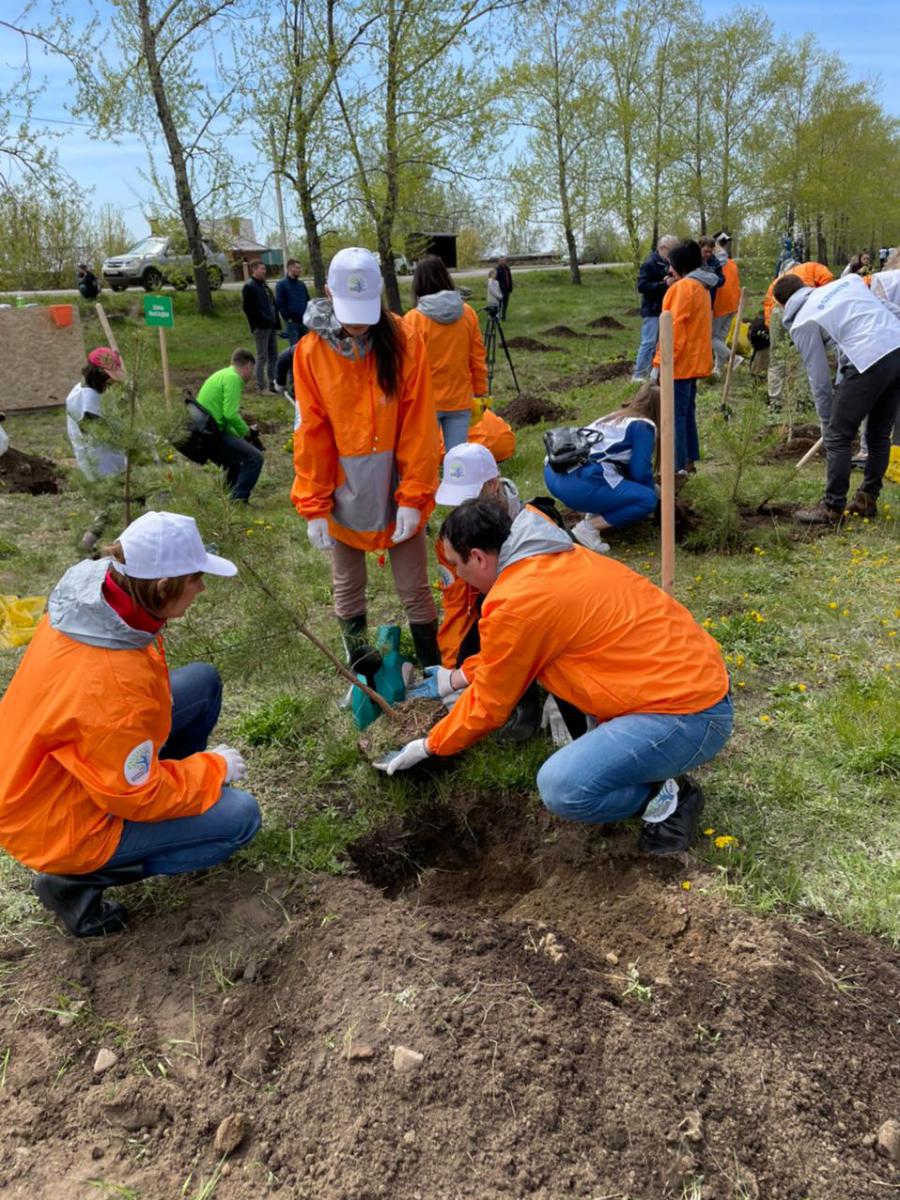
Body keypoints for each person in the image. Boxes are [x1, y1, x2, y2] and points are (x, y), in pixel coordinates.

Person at [378, 499, 732, 856]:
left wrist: (429, 745)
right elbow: (516, 650)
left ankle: (668, 798)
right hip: (686, 686)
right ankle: (652, 769)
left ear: (479, 558)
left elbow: (490, 705)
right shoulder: (549, 558)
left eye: (456, 565)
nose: (457, 575)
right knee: (587, 758)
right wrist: (458, 677)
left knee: (564, 787)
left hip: (688, 715)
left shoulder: (518, 601)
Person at [0, 511, 261, 938]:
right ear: (163, 587)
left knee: (203, 684)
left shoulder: (102, 601)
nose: (202, 588)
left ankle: (174, 800)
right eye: (195, 578)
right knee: (240, 817)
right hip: (56, 822)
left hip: (41, 769)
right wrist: (212, 770)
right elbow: (133, 794)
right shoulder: (112, 688)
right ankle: (71, 881)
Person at [291, 246, 442, 669]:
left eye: (366, 308)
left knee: (413, 585)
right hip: (344, 489)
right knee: (347, 582)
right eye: (348, 309)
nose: (358, 322)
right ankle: (360, 667)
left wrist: (413, 496)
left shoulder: (406, 339)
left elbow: (419, 424)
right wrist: (315, 506)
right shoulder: (309, 353)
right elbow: (312, 434)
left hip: (397, 482)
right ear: (327, 293)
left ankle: (431, 667)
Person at [773, 272, 900, 523]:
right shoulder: (848, 283)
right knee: (877, 434)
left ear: (781, 305)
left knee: (839, 435)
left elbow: (818, 377)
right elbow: (890, 309)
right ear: (806, 286)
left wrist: (828, 422)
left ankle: (831, 509)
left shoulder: (803, 322)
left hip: (867, 357)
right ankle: (867, 499)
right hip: (896, 346)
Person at [544, 384, 659, 552]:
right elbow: (640, 472)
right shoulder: (644, 426)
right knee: (646, 499)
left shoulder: (618, 416)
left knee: (620, 482)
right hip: (578, 485)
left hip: (553, 473)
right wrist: (656, 496)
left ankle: (596, 511)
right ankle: (587, 529)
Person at [402, 255, 489, 450]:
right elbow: (477, 358)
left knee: (426, 461)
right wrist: (481, 392)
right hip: (460, 400)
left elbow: (407, 368)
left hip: (425, 403)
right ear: (446, 277)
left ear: (418, 283)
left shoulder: (412, 320)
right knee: (458, 461)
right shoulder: (468, 314)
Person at [651, 240, 717, 472]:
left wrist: (660, 363)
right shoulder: (701, 288)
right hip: (694, 361)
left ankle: (677, 467)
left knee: (674, 416)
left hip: (679, 364)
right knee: (687, 412)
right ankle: (688, 461)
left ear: (681, 264)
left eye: (671, 264)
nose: (669, 270)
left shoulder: (682, 289)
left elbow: (673, 330)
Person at [65, 347, 128, 550]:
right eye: (109, 377)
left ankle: (90, 542)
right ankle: (91, 543)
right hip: (100, 459)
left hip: (107, 457)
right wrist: (130, 437)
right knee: (120, 502)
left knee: (124, 501)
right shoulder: (86, 398)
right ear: (99, 373)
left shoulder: (91, 389)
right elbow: (99, 429)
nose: (112, 381)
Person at [190, 349, 265, 502]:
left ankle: (224, 500)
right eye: (252, 371)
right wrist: (247, 433)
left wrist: (240, 437)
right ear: (248, 366)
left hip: (203, 431)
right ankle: (238, 501)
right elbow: (230, 414)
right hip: (211, 433)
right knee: (254, 458)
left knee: (235, 461)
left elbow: (224, 418)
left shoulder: (223, 374)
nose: (251, 375)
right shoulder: (233, 378)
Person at [763, 259, 834, 411]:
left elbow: (768, 305)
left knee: (776, 358)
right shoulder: (812, 267)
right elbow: (828, 280)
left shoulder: (776, 282)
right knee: (805, 354)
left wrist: (773, 328)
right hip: (803, 309)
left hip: (777, 313)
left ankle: (775, 401)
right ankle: (803, 400)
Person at [633, 234, 679, 382]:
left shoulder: (670, 264)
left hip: (666, 309)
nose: (674, 253)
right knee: (648, 341)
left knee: (662, 341)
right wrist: (663, 284)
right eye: (672, 250)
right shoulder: (649, 264)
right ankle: (639, 374)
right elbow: (642, 286)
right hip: (652, 309)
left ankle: (654, 372)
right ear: (662, 248)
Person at [241, 260, 281, 393]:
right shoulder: (249, 287)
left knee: (273, 356)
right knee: (262, 356)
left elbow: (272, 305)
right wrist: (260, 321)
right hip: (261, 327)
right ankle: (261, 386)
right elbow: (249, 309)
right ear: (254, 270)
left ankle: (272, 383)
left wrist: (275, 322)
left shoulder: (264, 286)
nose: (264, 271)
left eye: (265, 269)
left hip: (271, 326)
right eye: (262, 269)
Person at [711, 232, 742, 371]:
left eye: (724, 244)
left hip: (720, 306)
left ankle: (732, 357)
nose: (724, 247)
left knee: (710, 338)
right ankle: (718, 368)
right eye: (722, 243)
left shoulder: (716, 263)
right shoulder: (731, 264)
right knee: (720, 338)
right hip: (731, 305)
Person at [275, 258, 311, 346]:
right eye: (297, 268)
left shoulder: (301, 285)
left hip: (304, 322)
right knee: (295, 348)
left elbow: (308, 300)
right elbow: (279, 303)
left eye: (300, 268)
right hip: (292, 323)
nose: (300, 270)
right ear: (290, 268)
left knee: (306, 346)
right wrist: (288, 318)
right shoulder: (281, 284)